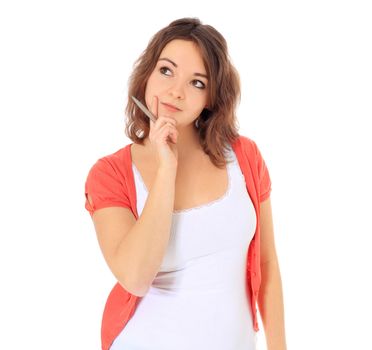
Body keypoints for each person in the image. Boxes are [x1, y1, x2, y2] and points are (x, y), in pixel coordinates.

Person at [84, 17, 287, 350]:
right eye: (166, 70)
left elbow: (267, 263)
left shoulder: (245, 157)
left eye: (197, 82)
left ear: (210, 97)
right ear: (147, 75)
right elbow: (135, 277)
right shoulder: (110, 174)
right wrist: (167, 169)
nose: (176, 91)